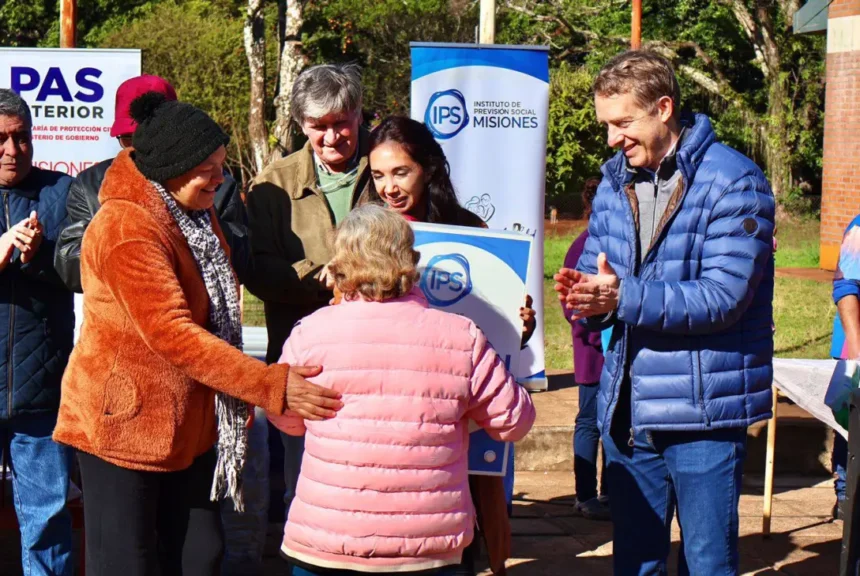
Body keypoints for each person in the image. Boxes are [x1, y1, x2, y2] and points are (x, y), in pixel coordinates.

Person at [52, 91, 343, 576]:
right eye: (208, 168)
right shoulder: (126, 227)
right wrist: (268, 385)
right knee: (128, 564)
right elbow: (174, 334)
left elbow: (213, 315)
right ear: (172, 168)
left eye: (222, 165)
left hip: (189, 424)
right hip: (121, 427)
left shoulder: (193, 213)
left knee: (200, 556)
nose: (220, 178)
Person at [554, 51, 774, 575]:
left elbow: (723, 297)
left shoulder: (734, 181)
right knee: (635, 563)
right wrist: (586, 300)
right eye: (606, 125)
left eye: (623, 123)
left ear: (664, 108)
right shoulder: (614, 183)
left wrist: (620, 296)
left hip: (703, 417)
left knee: (707, 562)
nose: (612, 139)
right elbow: (596, 275)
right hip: (627, 413)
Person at [268, 205, 536, 576]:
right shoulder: (462, 336)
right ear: (410, 261)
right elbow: (515, 422)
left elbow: (287, 420)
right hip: (430, 546)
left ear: (339, 265)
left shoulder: (309, 333)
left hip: (326, 543)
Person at [367, 115, 535, 575]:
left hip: (461, 397)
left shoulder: (469, 228)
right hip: (397, 401)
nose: (388, 187)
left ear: (428, 168)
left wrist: (519, 323)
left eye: (400, 172)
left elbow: (500, 328)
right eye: (378, 175)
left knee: (475, 508)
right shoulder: (366, 233)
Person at [245, 63, 373, 519]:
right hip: (306, 362)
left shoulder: (388, 168)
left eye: (342, 123)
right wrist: (313, 275)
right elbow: (255, 268)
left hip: (379, 354)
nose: (332, 137)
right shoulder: (271, 185)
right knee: (305, 486)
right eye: (319, 127)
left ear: (359, 114)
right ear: (301, 125)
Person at [54, 74, 250, 289]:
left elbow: (245, 264)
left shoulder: (216, 184)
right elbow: (69, 266)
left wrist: (198, 220)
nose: (142, 149)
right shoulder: (90, 184)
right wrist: (128, 243)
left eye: (153, 138)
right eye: (129, 139)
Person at [0, 88, 76, 576]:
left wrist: (38, 256)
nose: (12, 150)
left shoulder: (61, 191)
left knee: (47, 522)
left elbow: (86, 267)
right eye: (1, 139)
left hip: (42, 392)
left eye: (21, 137)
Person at [560, 177, 610, 521]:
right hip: (593, 356)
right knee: (590, 422)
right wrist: (596, 335)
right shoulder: (582, 246)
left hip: (619, 355)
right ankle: (585, 495)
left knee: (618, 427)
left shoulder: (621, 242)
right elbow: (569, 304)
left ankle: (611, 492)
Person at [829, 215, 860, 520]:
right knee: (851, 424)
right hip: (856, 347)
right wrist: (857, 349)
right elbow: (846, 286)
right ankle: (846, 497)